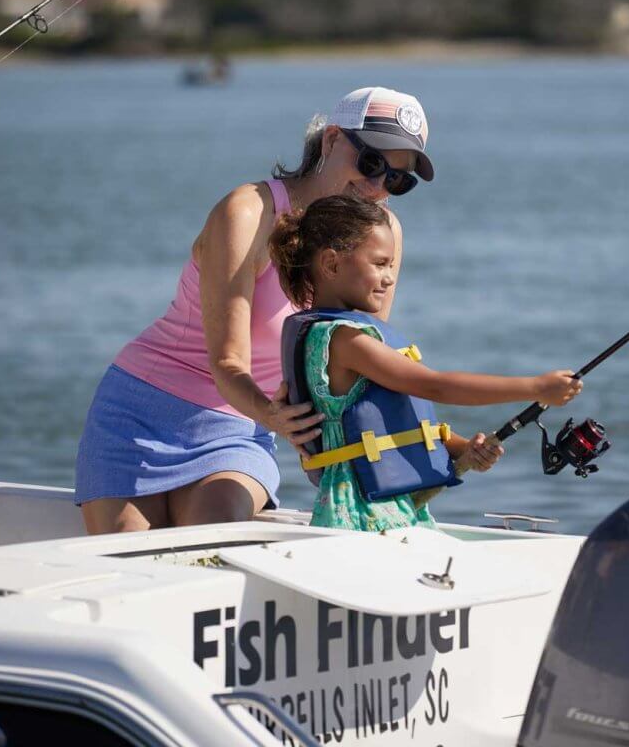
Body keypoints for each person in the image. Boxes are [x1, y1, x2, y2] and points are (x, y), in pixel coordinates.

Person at [75, 86, 434, 534]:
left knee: (213, 536)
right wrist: (277, 419)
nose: (379, 186)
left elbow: (358, 368)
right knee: (130, 558)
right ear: (332, 140)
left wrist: (440, 451)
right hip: (141, 409)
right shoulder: (249, 212)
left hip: (238, 425)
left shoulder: (385, 236)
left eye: (397, 180)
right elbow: (226, 363)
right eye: (371, 163)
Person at [269, 194, 583, 532]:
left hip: (385, 508)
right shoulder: (345, 340)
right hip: (363, 516)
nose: (389, 278)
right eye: (379, 263)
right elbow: (434, 385)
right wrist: (535, 387)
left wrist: (463, 449)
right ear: (331, 264)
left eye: (391, 266)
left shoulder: (339, 333)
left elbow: (389, 428)